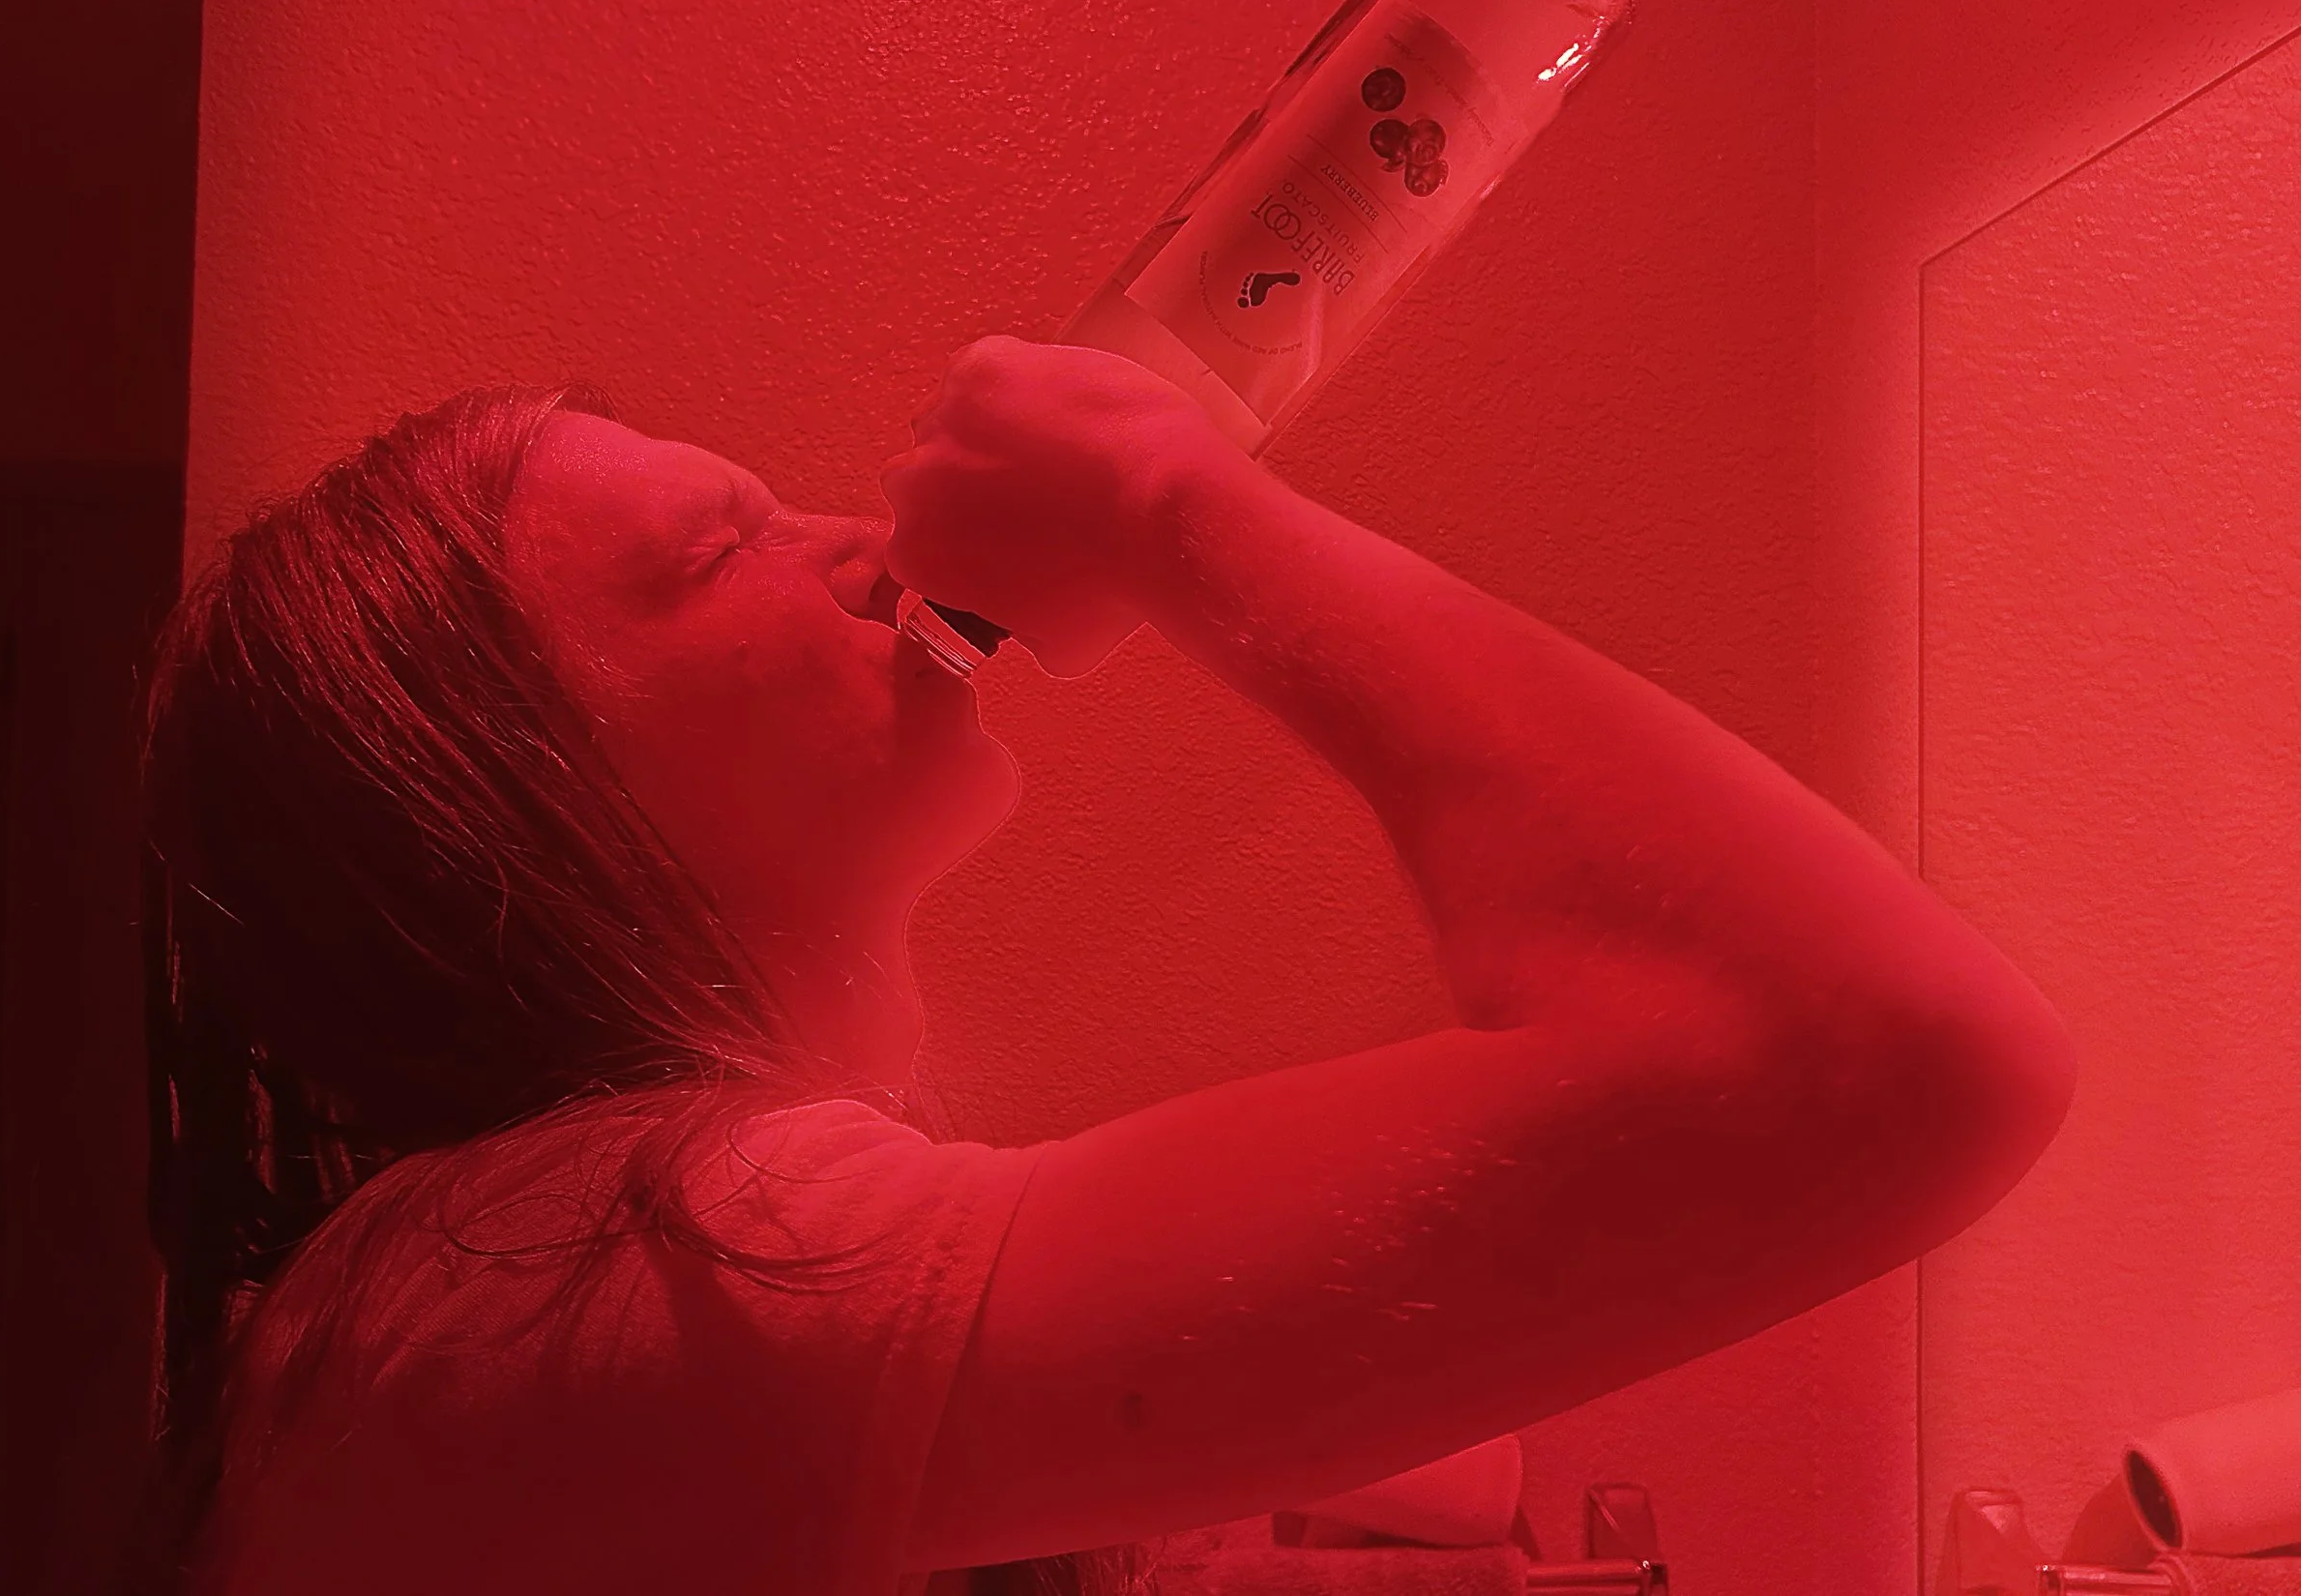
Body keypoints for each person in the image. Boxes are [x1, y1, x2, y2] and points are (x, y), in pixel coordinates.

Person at [133, 336, 2077, 1596]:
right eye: (719, 547)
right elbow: (1867, 1045)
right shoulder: (624, 1273)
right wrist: (1172, 499)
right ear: (499, 797)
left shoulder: (472, 1294)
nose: (858, 543)